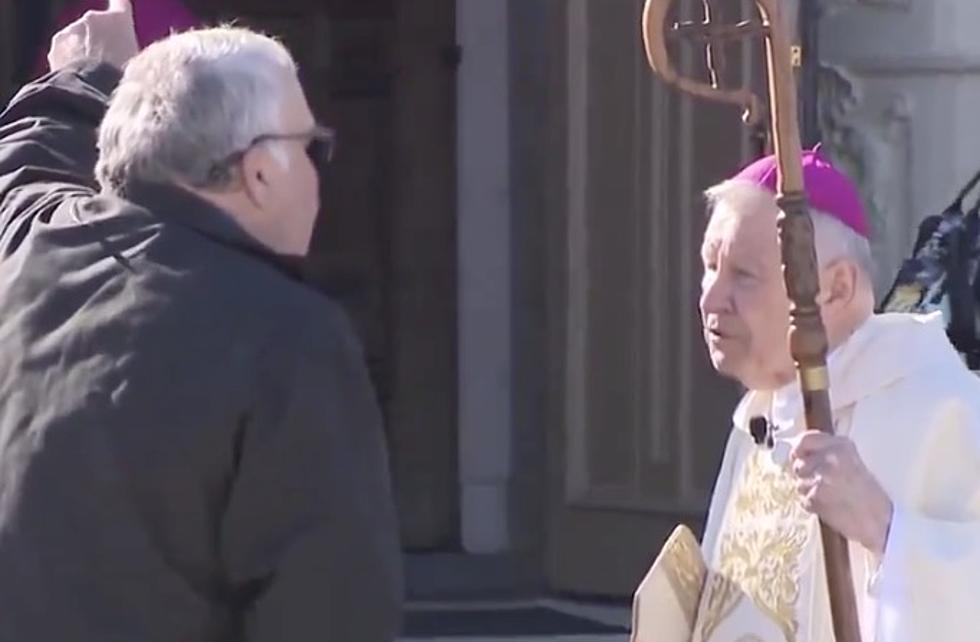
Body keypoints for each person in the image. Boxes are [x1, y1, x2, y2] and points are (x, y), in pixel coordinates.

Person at [0, 2, 402, 641]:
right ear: (260, 170)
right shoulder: (288, 341)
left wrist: (84, 74)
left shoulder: (32, 259)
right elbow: (329, 613)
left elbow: (21, 171)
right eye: (311, 148)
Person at [691, 146, 980, 641]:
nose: (711, 298)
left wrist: (885, 529)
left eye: (743, 275)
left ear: (837, 288)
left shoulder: (941, 407)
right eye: (710, 265)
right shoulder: (763, 413)